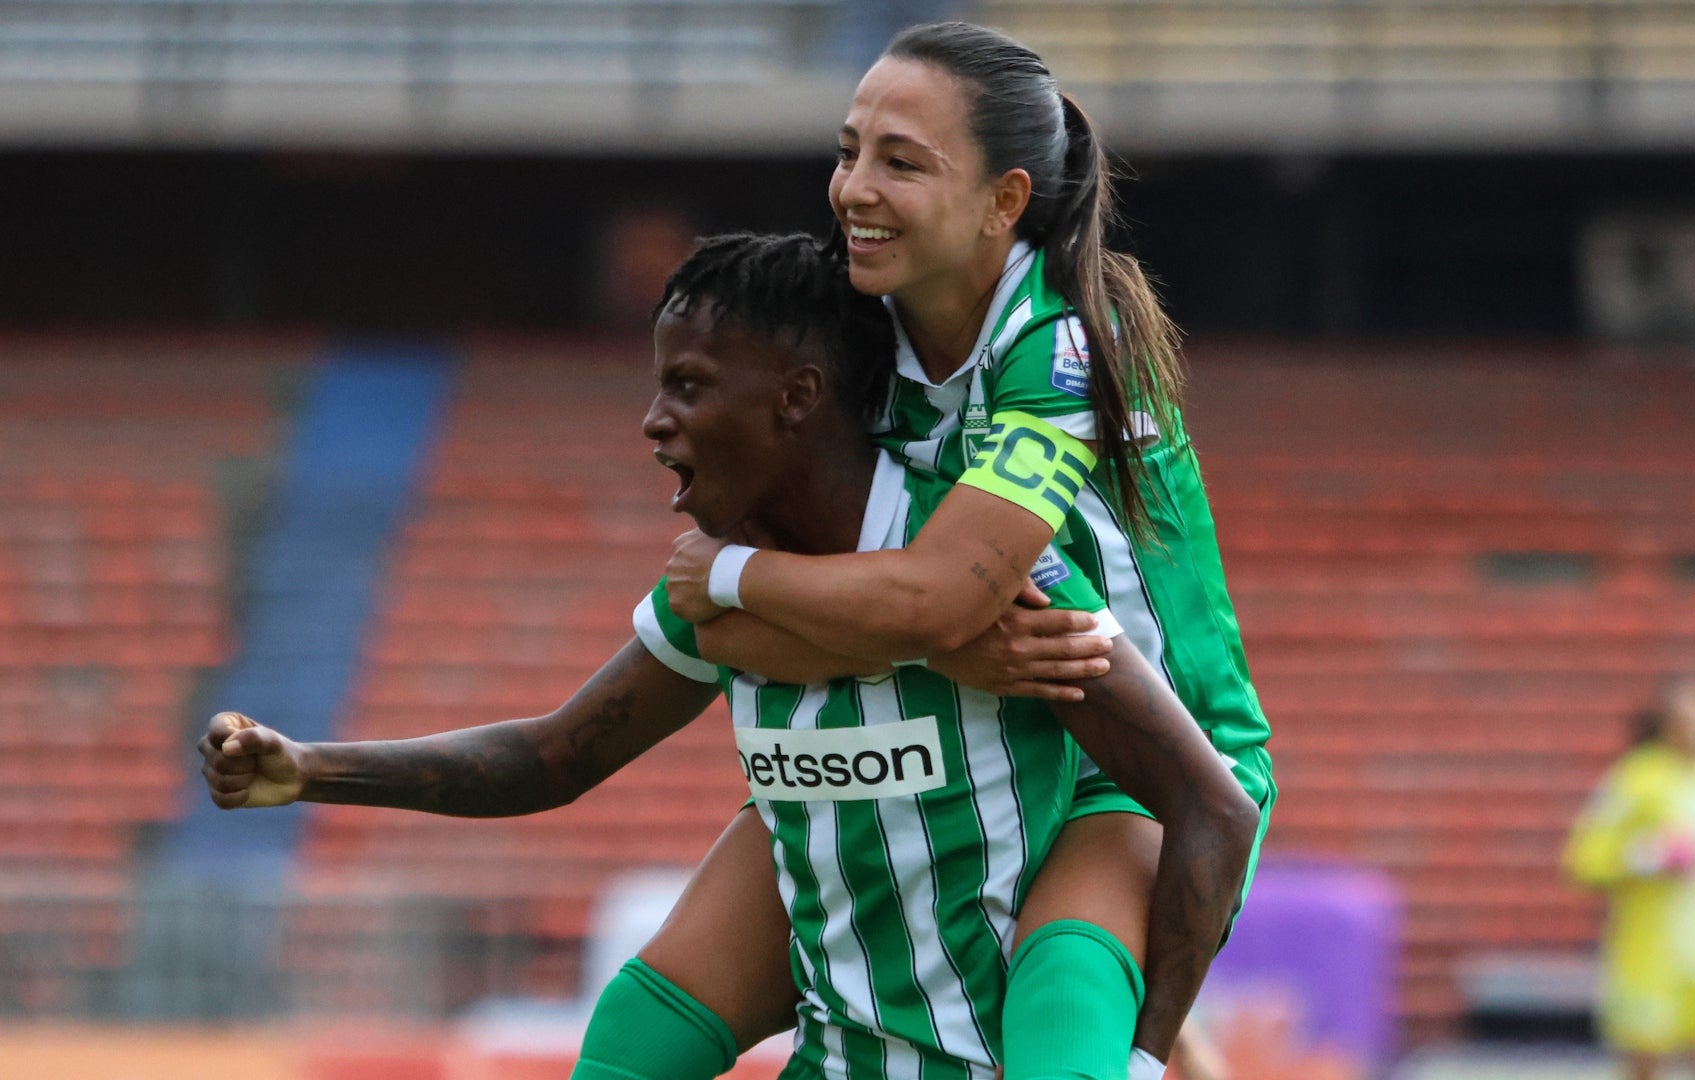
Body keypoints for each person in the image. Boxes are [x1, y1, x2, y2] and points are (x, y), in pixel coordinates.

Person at [198, 233, 1257, 1080]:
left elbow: (1199, 798)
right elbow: (553, 755)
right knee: (625, 1037)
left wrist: (1149, 1050)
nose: (655, 423)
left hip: (1008, 1039)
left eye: (691, 388)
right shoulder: (711, 581)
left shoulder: (981, 573)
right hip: (853, 1047)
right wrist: (314, 771)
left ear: (797, 398)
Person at [664, 22, 1275, 1078]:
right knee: (648, 1021)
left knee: (1075, 1044)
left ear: (1005, 201)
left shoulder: (1071, 345)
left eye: (901, 160)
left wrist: (727, 577)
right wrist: (922, 645)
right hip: (981, 731)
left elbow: (943, 596)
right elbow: (870, 623)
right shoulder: (861, 337)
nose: (853, 187)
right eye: (848, 149)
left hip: (1139, 770)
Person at [1564, 673, 1695, 1080]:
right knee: (1644, 1066)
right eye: (1687, 716)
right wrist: (1650, 855)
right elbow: (1584, 860)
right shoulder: (1635, 778)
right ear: (1667, 721)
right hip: (1651, 952)